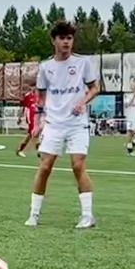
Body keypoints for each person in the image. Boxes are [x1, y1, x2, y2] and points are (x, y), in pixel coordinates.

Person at [26, 20, 99, 229]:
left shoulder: (83, 63)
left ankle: (87, 216)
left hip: (77, 124)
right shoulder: (45, 67)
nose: (66, 42)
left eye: (69, 38)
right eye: (62, 38)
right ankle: (34, 214)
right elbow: (41, 97)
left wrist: (83, 102)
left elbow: (95, 88)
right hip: (54, 124)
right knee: (45, 167)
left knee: (78, 165)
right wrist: (37, 122)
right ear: (54, 40)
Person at [15, 87, 41, 157]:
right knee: (34, 132)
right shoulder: (27, 96)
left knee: (30, 134)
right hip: (30, 116)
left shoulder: (39, 95)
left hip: (37, 116)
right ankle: (39, 150)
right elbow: (23, 107)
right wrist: (19, 118)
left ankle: (20, 150)